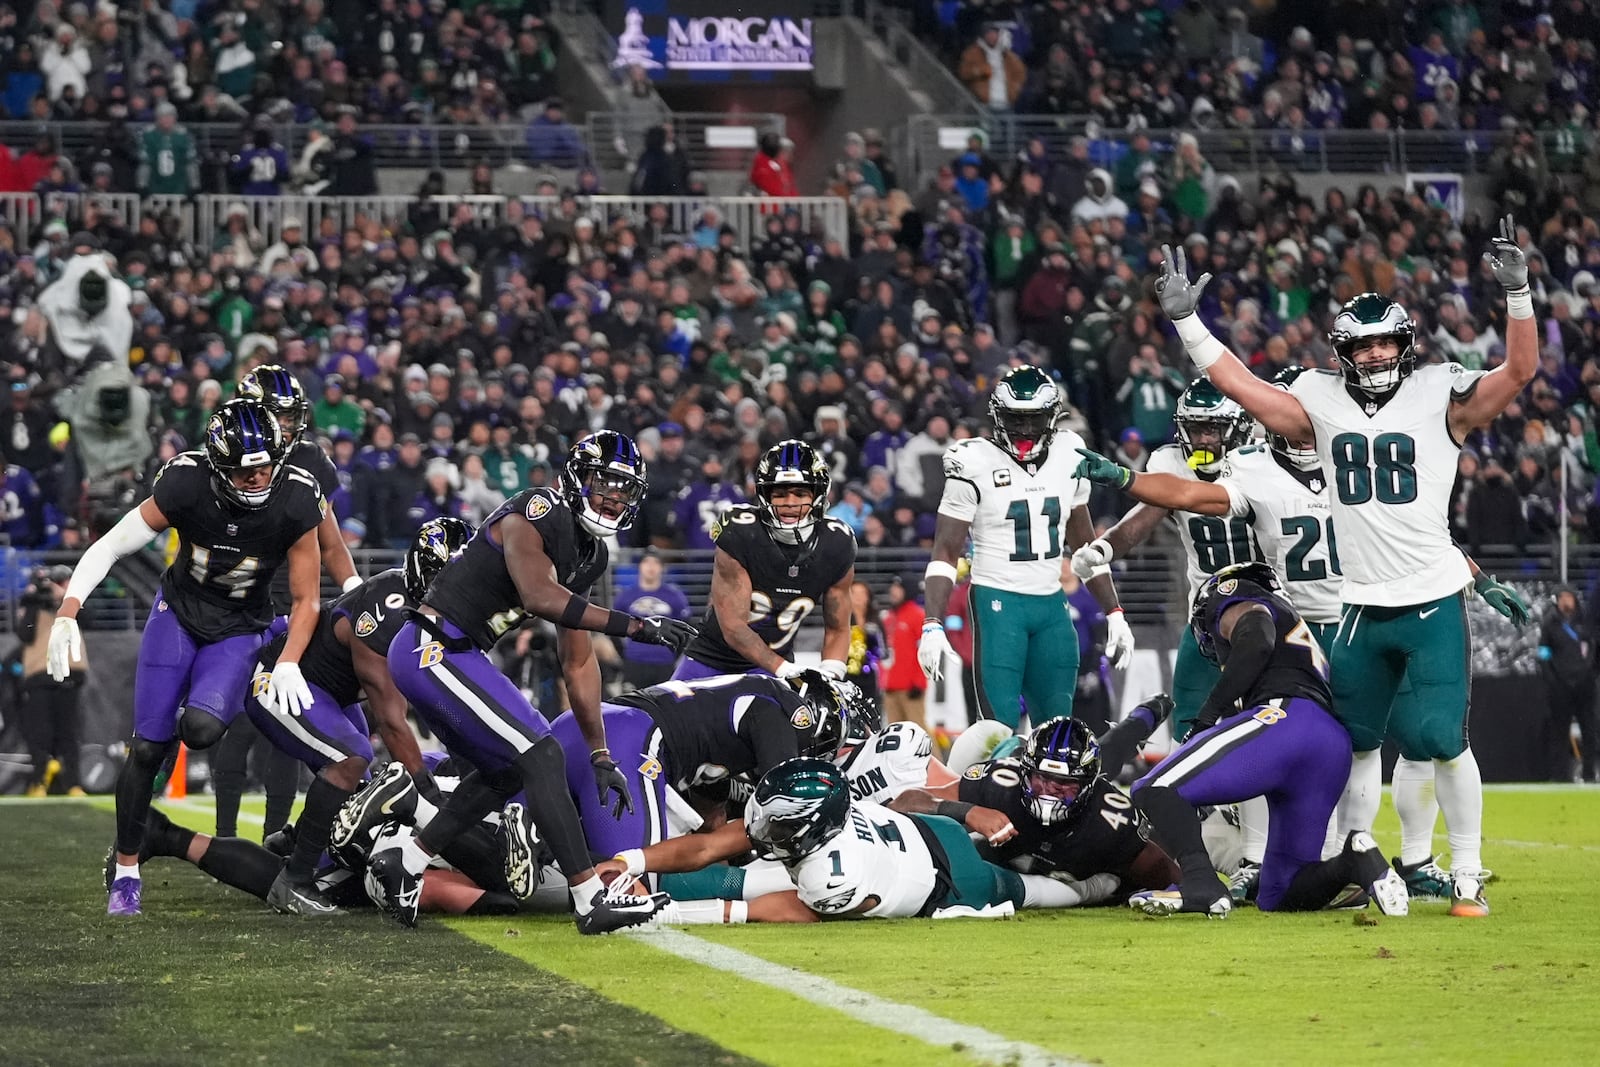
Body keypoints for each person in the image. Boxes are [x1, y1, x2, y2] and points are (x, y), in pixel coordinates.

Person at [1157, 217, 1538, 918]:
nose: (1376, 353)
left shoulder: (1437, 393)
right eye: (1363, 345)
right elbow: (1243, 389)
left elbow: (1518, 372)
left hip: (1428, 596)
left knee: (1440, 740)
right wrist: (1189, 325)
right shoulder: (1319, 400)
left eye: (1387, 340)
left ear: (1406, 344)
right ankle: (1360, 858)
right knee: (1354, 742)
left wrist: (1519, 298)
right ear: (1343, 352)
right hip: (1358, 604)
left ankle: (1466, 869)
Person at [1074, 386, 1533, 902]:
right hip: (1235, 613)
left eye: (1215, 427)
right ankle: (1242, 857)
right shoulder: (1228, 466)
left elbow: (1412, 534)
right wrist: (1109, 532)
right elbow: (1173, 501)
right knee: (1226, 742)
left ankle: (1394, 856)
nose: (1205, 438)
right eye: (1196, 428)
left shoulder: (1338, 464)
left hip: (1324, 618)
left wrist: (1479, 576)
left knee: (1398, 741)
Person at [354, 431, 695, 932]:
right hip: (432, 645)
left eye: (624, 491)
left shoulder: (589, 554)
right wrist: (637, 625)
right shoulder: (539, 508)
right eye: (605, 484)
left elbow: (577, 660)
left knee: (507, 773)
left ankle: (404, 861)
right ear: (578, 478)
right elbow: (539, 596)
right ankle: (588, 898)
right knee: (542, 754)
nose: (613, 497)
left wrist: (600, 753)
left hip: (456, 652)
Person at [48, 399, 327, 917]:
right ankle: (127, 870)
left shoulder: (295, 499)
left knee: (200, 729)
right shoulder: (186, 482)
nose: (259, 478)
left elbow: (308, 597)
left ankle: (175, 722)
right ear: (219, 468)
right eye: (246, 471)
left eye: (266, 465)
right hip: (177, 614)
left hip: (241, 625)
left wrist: (288, 659)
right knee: (148, 748)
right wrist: (69, 608)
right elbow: (112, 545)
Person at [1127, 563, 1410, 918]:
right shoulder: (1293, 624)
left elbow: (1257, 638)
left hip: (1283, 720)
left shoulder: (1234, 598)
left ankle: (1201, 883)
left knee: (1153, 787)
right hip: (1327, 744)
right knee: (1281, 892)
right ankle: (1354, 862)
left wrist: (1207, 714)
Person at [242, 518, 473, 915]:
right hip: (284, 681)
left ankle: (293, 842)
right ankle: (293, 882)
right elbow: (392, 721)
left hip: (332, 694)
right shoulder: (389, 614)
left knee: (358, 799)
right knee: (351, 758)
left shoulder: (430, 612)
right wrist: (426, 793)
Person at [593, 757, 1121, 924]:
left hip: (956, 877)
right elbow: (711, 845)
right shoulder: (816, 829)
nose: (764, 828)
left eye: (781, 823)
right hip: (914, 833)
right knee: (736, 872)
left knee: (1024, 889)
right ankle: (619, 886)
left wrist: (669, 915)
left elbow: (773, 910)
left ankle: (1093, 890)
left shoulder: (829, 874)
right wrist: (628, 859)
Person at [512, 670, 862, 899]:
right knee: (632, 891)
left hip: (581, 727)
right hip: (629, 741)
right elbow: (779, 813)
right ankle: (547, 843)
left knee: (511, 867)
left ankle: (539, 838)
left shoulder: (741, 703)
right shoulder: (781, 711)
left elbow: (711, 816)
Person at [919, 366, 1133, 730]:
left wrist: (1114, 611)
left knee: (1059, 730)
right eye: (1014, 419)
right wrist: (932, 624)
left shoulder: (1070, 452)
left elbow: (1084, 546)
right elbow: (945, 551)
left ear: (1051, 419)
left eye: (1033, 420)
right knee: (997, 730)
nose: (1023, 430)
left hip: (1051, 606)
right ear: (997, 417)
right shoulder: (972, 461)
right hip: (997, 602)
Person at [217, 364, 362, 840]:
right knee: (235, 723)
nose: (287, 425)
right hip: (240, 603)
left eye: (289, 416)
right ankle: (224, 835)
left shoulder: (309, 461)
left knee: (286, 725)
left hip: (296, 606)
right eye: (276, 415)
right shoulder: (224, 459)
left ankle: (275, 836)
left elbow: (332, 539)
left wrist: (353, 590)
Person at [897, 704, 1181, 891]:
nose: (1048, 790)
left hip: (1077, 856)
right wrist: (967, 811)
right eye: (1041, 778)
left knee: (1114, 749)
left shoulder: (1111, 821)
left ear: (1087, 785)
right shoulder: (1000, 785)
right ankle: (1011, 746)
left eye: (1065, 784)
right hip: (1005, 779)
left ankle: (1151, 710)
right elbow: (906, 801)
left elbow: (1168, 875)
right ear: (1024, 771)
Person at [671, 440, 857, 683]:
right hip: (711, 659)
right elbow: (734, 629)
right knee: (671, 718)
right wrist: (782, 668)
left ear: (818, 494)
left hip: (774, 664)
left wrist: (831, 675)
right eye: (779, 494)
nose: (790, 503)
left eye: (800, 493)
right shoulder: (742, 532)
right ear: (764, 494)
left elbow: (838, 627)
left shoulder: (836, 542)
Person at [16, 565, 84, 796]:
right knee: (40, 733)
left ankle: (74, 783)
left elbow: (90, 618)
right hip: (40, 674)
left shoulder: (73, 601)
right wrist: (36, 600)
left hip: (70, 673)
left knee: (69, 733)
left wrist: (66, 598)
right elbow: (24, 633)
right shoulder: (32, 603)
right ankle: (40, 782)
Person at [1538, 588, 1599, 783]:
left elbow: (1593, 649)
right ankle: (1559, 776)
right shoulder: (1550, 623)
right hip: (1560, 687)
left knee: (1589, 730)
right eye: (1563, 597)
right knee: (1559, 732)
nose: (1566, 601)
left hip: (1584, 686)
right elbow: (1544, 653)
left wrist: (1589, 673)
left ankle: (1589, 773)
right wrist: (1552, 679)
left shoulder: (1584, 623)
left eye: (1569, 597)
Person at [612, 549, 692, 690]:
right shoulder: (626, 596)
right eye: (646, 562)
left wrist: (674, 655)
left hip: (664, 663)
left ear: (662, 568)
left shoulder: (675, 596)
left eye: (655, 562)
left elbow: (685, 628)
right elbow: (614, 628)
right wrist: (624, 655)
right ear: (640, 566)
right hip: (634, 662)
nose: (651, 567)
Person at [879, 575, 926, 727]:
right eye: (893, 587)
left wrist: (919, 682)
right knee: (895, 731)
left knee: (918, 730)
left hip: (910, 688)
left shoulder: (917, 615)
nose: (893, 591)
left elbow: (924, 650)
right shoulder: (888, 617)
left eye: (898, 587)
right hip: (890, 687)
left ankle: (931, 753)